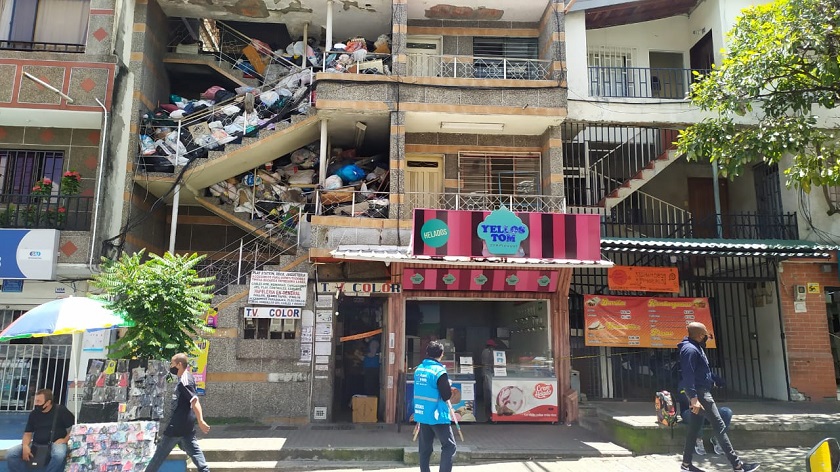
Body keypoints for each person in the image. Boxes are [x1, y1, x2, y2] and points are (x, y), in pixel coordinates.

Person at [678, 322, 759, 472]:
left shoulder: (695, 347)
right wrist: (694, 398)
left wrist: (713, 381)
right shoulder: (690, 349)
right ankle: (738, 466)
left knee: (694, 429)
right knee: (719, 426)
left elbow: (700, 372)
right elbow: (688, 375)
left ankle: (686, 465)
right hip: (701, 395)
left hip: (701, 392)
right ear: (700, 335)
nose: (706, 338)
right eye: (705, 336)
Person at [145, 353, 211, 472]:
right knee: (195, 453)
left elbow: (194, 400)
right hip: (186, 425)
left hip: (177, 425)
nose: (171, 366)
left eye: (172, 363)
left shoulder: (184, 380)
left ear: (179, 364)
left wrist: (201, 420)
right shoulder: (187, 377)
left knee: (159, 455)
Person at [6, 388, 75, 472]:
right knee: (11, 453)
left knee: (59, 455)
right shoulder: (34, 414)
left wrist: (64, 440)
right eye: (35, 401)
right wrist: (25, 446)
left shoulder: (61, 411)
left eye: (39, 401)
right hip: (36, 443)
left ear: (48, 402)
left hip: (56, 442)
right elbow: (28, 433)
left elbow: (74, 429)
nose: (36, 404)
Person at [414, 340, 456, 472]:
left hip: (422, 414)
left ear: (427, 353)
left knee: (425, 449)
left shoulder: (419, 369)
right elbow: (446, 395)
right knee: (449, 446)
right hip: (437, 415)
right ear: (442, 354)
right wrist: (448, 384)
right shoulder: (439, 371)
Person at [480, 339, 496, 419]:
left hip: (485, 373)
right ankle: (489, 413)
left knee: (487, 392)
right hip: (488, 374)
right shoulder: (490, 352)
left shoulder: (484, 351)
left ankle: (488, 412)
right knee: (489, 393)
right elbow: (492, 363)